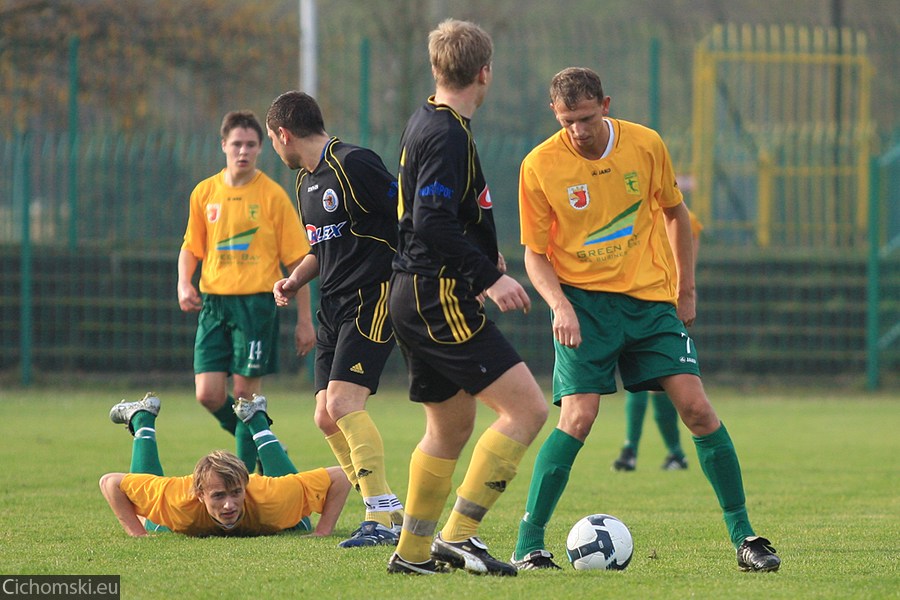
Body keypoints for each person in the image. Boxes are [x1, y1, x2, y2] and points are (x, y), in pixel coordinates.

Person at [511, 67, 781, 572]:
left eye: (587, 118)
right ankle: (529, 543)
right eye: (568, 121)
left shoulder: (646, 144)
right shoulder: (539, 166)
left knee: (698, 409)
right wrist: (560, 306)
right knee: (578, 417)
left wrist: (686, 290)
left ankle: (746, 538)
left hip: (650, 303)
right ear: (555, 113)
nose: (578, 131)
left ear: (606, 105)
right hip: (584, 306)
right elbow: (533, 254)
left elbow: (677, 214)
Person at [385, 19, 549, 577]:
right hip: (438, 296)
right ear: (485, 72)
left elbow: (436, 215)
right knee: (527, 409)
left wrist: (484, 251)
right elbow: (430, 221)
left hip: (413, 292)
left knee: (450, 428)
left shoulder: (428, 120)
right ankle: (460, 537)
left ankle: (412, 556)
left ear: (437, 68)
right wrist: (487, 277)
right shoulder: (448, 133)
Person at [265, 90, 405, 548]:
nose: (274, 148)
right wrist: (294, 279)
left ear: (283, 133)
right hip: (333, 305)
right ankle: (393, 511)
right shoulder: (305, 182)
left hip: (373, 298)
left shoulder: (354, 163)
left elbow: (408, 216)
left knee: (344, 404)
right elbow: (321, 249)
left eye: (271, 139)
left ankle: (378, 518)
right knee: (326, 417)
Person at [177, 110, 315, 474]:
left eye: (251, 144)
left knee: (245, 396)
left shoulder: (271, 196)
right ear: (223, 145)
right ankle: (261, 437)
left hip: (256, 305)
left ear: (260, 149)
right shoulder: (205, 193)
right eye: (236, 144)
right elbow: (191, 247)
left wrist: (305, 320)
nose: (243, 151)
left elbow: (300, 261)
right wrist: (183, 283)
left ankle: (245, 478)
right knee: (207, 394)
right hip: (214, 305)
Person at [100, 392, 351, 537]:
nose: (229, 504)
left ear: (246, 486)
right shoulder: (178, 499)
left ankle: (257, 420)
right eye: (218, 496)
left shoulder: (270, 497)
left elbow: (340, 476)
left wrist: (322, 532)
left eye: (235, 493)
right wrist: (138, 535)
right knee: (151, 517)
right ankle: (142, 418)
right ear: (199, 495)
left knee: (300, 519)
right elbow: (110, 482)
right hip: (182, 506)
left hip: (272, 499)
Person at [613, 210, 703, 472]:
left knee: (654, 379)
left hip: (662, 301)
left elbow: (692, 230)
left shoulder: (667, 207)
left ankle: (650, 451)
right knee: (645, 378)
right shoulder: (634, 207)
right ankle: (664, 452)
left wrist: (684, 284)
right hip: (639, 298)